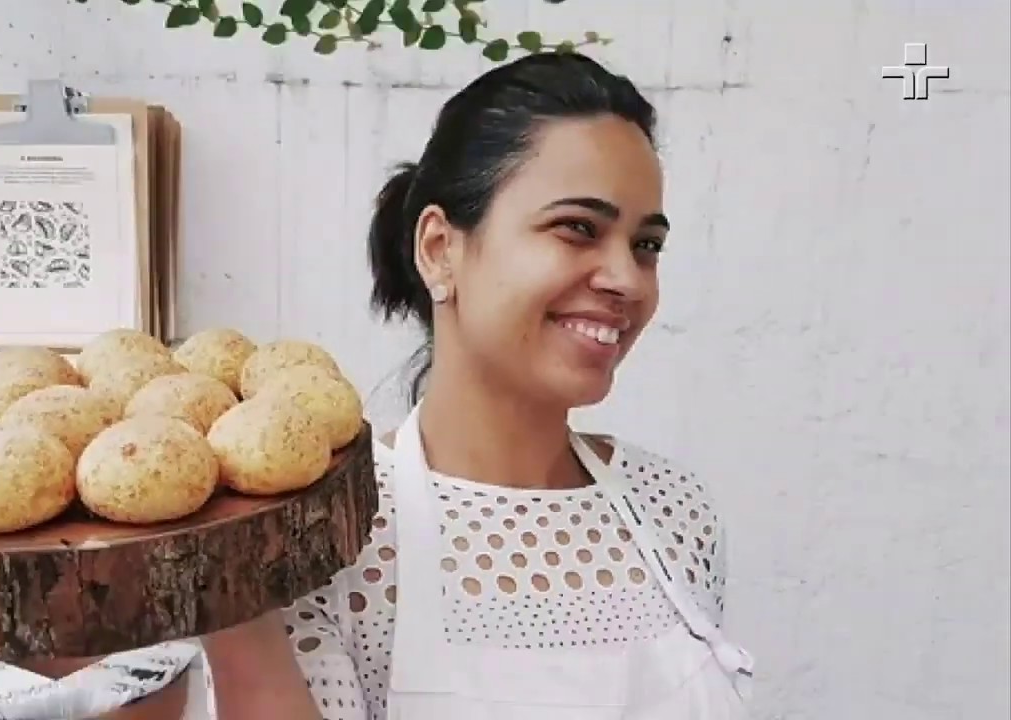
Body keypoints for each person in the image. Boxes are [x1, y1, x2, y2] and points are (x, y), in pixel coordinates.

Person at [166, 50, 756, 720]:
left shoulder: (675, 512)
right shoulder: (327, 533)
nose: (626, 278)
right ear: (440, 250)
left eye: (646, 245)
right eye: (577, 229)